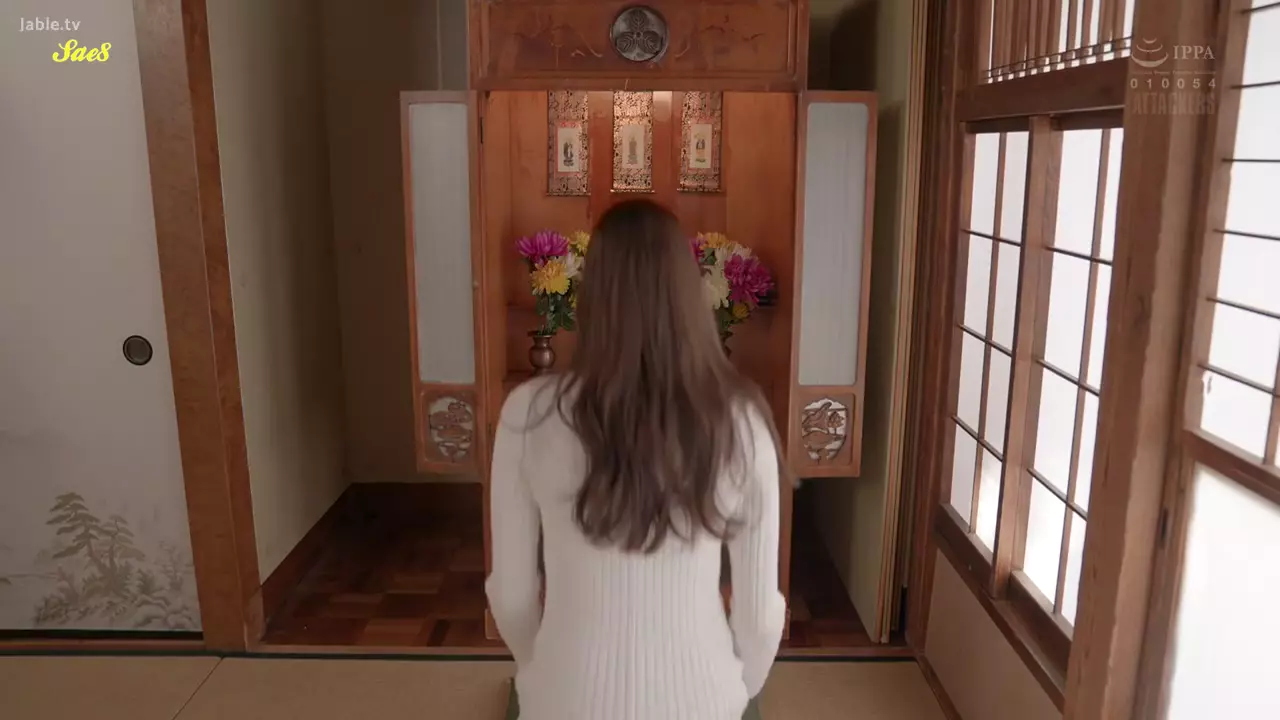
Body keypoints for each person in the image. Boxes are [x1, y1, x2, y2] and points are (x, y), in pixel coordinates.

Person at [486, 199, 787, 720]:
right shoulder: (742, 421)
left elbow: (511, 597)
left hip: (563, 700)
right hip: (703, 701)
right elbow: (760, 618)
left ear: (592, 296)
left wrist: (545, 674)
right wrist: (736, 689)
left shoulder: (527, 414)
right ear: (688, 294)